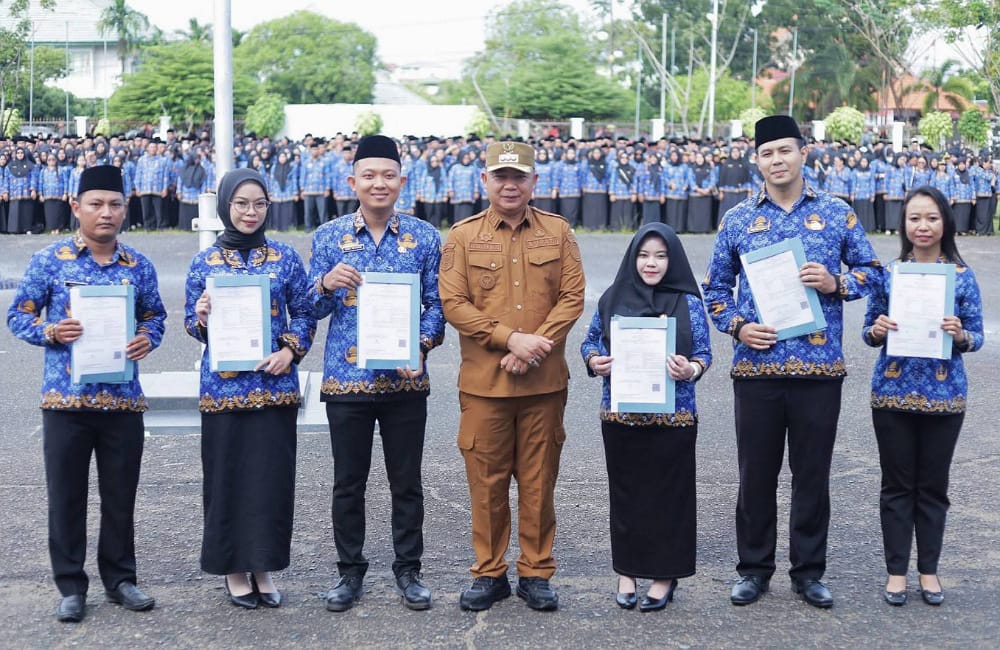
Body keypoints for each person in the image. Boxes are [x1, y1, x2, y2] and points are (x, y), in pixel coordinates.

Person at [702, 115, 882, 609]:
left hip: (819, 369)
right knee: (754, 475)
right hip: (757, 368)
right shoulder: (738, 219)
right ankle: (754, 570)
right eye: (767, 153)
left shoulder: (836, 212)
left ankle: (808, 572)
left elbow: (872, 272)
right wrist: (738, 326)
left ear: (804, 153)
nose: (777, 160)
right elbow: (715, 289)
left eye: (785, 150)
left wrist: (836, 284)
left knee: (812, 476)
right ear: (756, 161)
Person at [6, 165, 167, 622]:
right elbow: (19, 316)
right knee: (67, 496)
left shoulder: (139, 265)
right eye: (95, 204)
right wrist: (52, 331)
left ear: (125, 209)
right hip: (66, 403)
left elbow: (155, 315)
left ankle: (120, 580)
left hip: (122, 402)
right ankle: (71, 585)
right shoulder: (50, 261)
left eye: (115, 204)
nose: (106, 213)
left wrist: (146, 338)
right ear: (76, 207)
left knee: (120, 496)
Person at [438, 141, 586, 612]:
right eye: (500, 176)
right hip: (485, 386)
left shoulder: (558, 232)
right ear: (485, 181)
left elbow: (572, 297)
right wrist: (510, 339)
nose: (509, 184)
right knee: (486, 482)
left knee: (539, 481)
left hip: (543, 384)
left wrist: (534, 344)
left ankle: (536, 572)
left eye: (518, 176)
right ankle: (489, 573)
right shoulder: (462, 237)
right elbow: (454, 303)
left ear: (534, 182)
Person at [308, 135, 444, 612]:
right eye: (369, 175)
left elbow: (437, 305)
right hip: (347, 383)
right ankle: (349, 573)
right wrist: (325, 282)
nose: (378, 183)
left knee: (406, 481)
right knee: (349, 481)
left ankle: (409, 570)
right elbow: (310, 306)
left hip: (406, 381)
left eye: (388, 174)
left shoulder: (425, 237)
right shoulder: (328, 237)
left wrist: (422, 345)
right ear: (353, 182)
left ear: (402, 181)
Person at [184, 168, 316, 610]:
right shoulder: (204, 262)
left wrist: (290, 351)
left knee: (270, 483)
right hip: (222, 391)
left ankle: (263, 567)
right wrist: (201, 315)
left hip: (274, 387)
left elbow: (305, 312)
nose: (250, 212)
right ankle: (233, 570)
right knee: (227, 480)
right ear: (225, 205)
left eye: (259, 204)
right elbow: (191, 323)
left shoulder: (284, 257)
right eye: (241, 203)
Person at [580, 223, 712, 612]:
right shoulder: (613, 297)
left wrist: (691, 370)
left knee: (669, 497)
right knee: (627, 495)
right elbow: (590, 341)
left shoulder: (687, 301)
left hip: (675, 416)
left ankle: (664, 574)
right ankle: (627, 571)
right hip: (622, 415)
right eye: (643, 255)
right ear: (632, 257)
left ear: (672, 259)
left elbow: (704, 353)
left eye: (660, 255)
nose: (651, 263)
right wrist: (594, 360)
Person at [862, 186, 983, 606]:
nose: (923, 226)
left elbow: (978, 335)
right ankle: (896, 572)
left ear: (945, 222)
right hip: (892, 394)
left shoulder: (962, 277)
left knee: (932, 487)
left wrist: (960, 334)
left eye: (931, 217)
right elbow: (867, 330)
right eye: (914, 218)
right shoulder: (890, 273)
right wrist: (877, 330)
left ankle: (928, 571)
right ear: (904, 225)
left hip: (944, 396)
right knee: (896, 486)